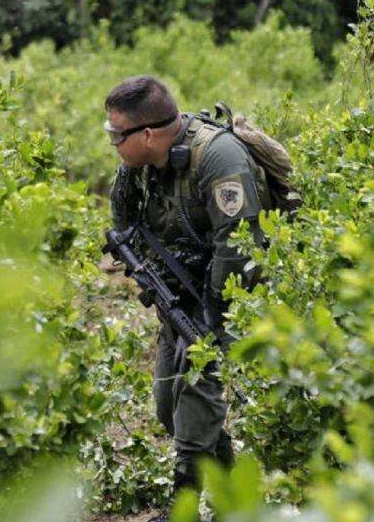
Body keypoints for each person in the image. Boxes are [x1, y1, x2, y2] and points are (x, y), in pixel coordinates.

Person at [104, 75, 270, 521]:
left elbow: (239, 245)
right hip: (178, 296)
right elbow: (123, 221)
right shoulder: (138, 166)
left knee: (197, 402)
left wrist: (211, 321)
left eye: (117, 135)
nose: (113, 143)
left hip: (230, 293)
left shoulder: (218, 156)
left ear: (147, 134)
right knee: (168, 407)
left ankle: (182, 508)